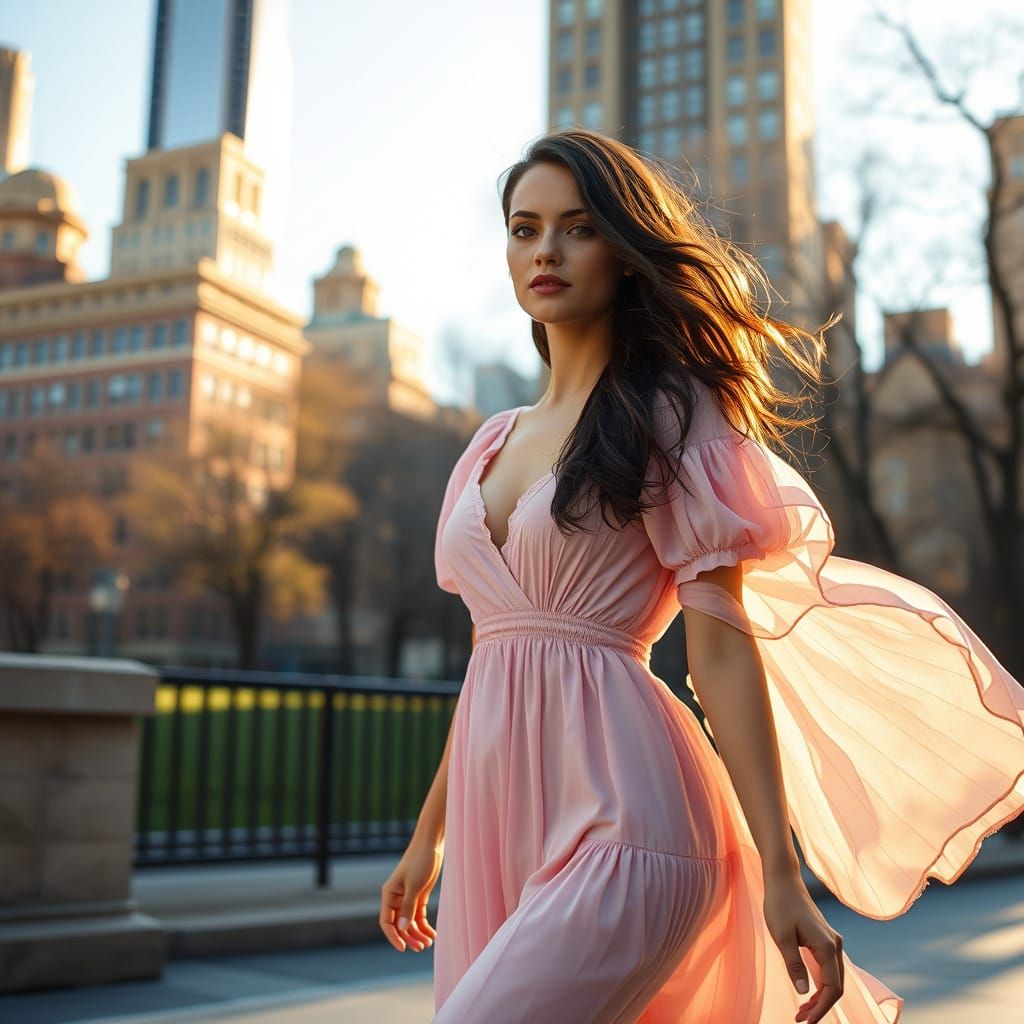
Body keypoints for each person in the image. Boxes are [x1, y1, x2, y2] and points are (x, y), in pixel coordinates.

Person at [378, 128, 1024, 1023]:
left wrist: (781, 872)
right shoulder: (489, 441)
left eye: (577, 227)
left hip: (633, 821)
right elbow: (496, 658)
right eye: (525, 229)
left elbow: (721, 656)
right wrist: (428, 839)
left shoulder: (667, 416)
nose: (546, 250)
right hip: (500, 822)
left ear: (625, 248)